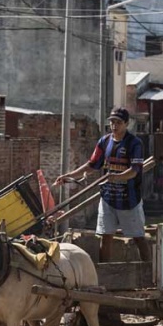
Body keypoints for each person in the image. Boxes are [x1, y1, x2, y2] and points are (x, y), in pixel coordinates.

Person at [56, 107, 151, 264]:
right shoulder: (104, 142)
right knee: (105, 236)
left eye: (118, 122)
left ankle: (148, 272)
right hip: (108, 199)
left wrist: (117, 176)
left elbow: (135, 171)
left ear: (127, 124)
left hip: (129, 201)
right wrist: (69, 176)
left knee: (138, 237)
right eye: (112, 122)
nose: (114, 126)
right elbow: (92, 165)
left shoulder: (135, 144)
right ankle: (104, 273)